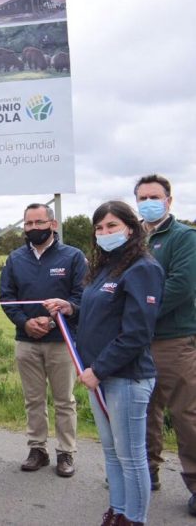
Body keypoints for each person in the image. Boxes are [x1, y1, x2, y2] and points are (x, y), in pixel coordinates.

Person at [45, 201, 164, 526]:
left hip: (124, 377)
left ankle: (134, 519)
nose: (104, 233)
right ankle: (118, 510)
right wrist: (71, 309)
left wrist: (98, 370)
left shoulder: (143, 268)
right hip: (97, 375)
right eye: (99, 228)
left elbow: (137, 332)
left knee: (131, 456)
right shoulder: (103, 268)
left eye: (112, 226)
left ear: (130, 228)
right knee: (112, 453)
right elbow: (99, 314)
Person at [0, 203, 86, 477]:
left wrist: (51, 321)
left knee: (64, 400)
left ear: (53, 224)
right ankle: (38, 448)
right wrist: (25, 321)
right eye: (28, 224)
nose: (34, 228)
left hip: (61, 341)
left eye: (39, 222)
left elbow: (81, 297)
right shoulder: (15, 259)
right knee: (33, 399)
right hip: (27, 340)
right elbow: (7, 297)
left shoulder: (73, 257)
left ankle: (66, 452)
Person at [134, 174, 196, 515]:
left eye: (154, 196)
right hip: (137, 340)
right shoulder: (131, 238)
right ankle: (147, 472)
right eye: (142, 197)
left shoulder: (184, 237)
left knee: (185, 414)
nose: (148, 202)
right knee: (144, 410)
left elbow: (180, 287)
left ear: (169, 201)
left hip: (173, 338)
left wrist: (139, 314)